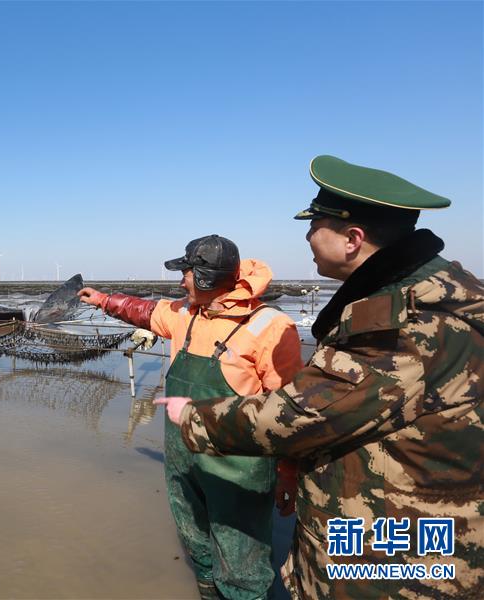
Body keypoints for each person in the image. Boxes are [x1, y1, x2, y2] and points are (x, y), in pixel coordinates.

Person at [158, 155, 483, 599]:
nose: (308, 236)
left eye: (315, 224)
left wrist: (194, 417)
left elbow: (301, 413)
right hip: (392, 528)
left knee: (243, 565)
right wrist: (104, 300)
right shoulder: (422, 295)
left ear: (352, 239)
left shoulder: (403, 324)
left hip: (394, 564)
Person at [78, 235, 303, 600]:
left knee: (242, 561)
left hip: (239, 472)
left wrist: (288, 474)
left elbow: (289, 414)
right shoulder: (186, 313)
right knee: (197, 543)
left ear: (205, 278)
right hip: (183, 461)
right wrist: (104, 300)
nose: (181, 282)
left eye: (186, 273)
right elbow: (145, 311)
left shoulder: (271, 327)